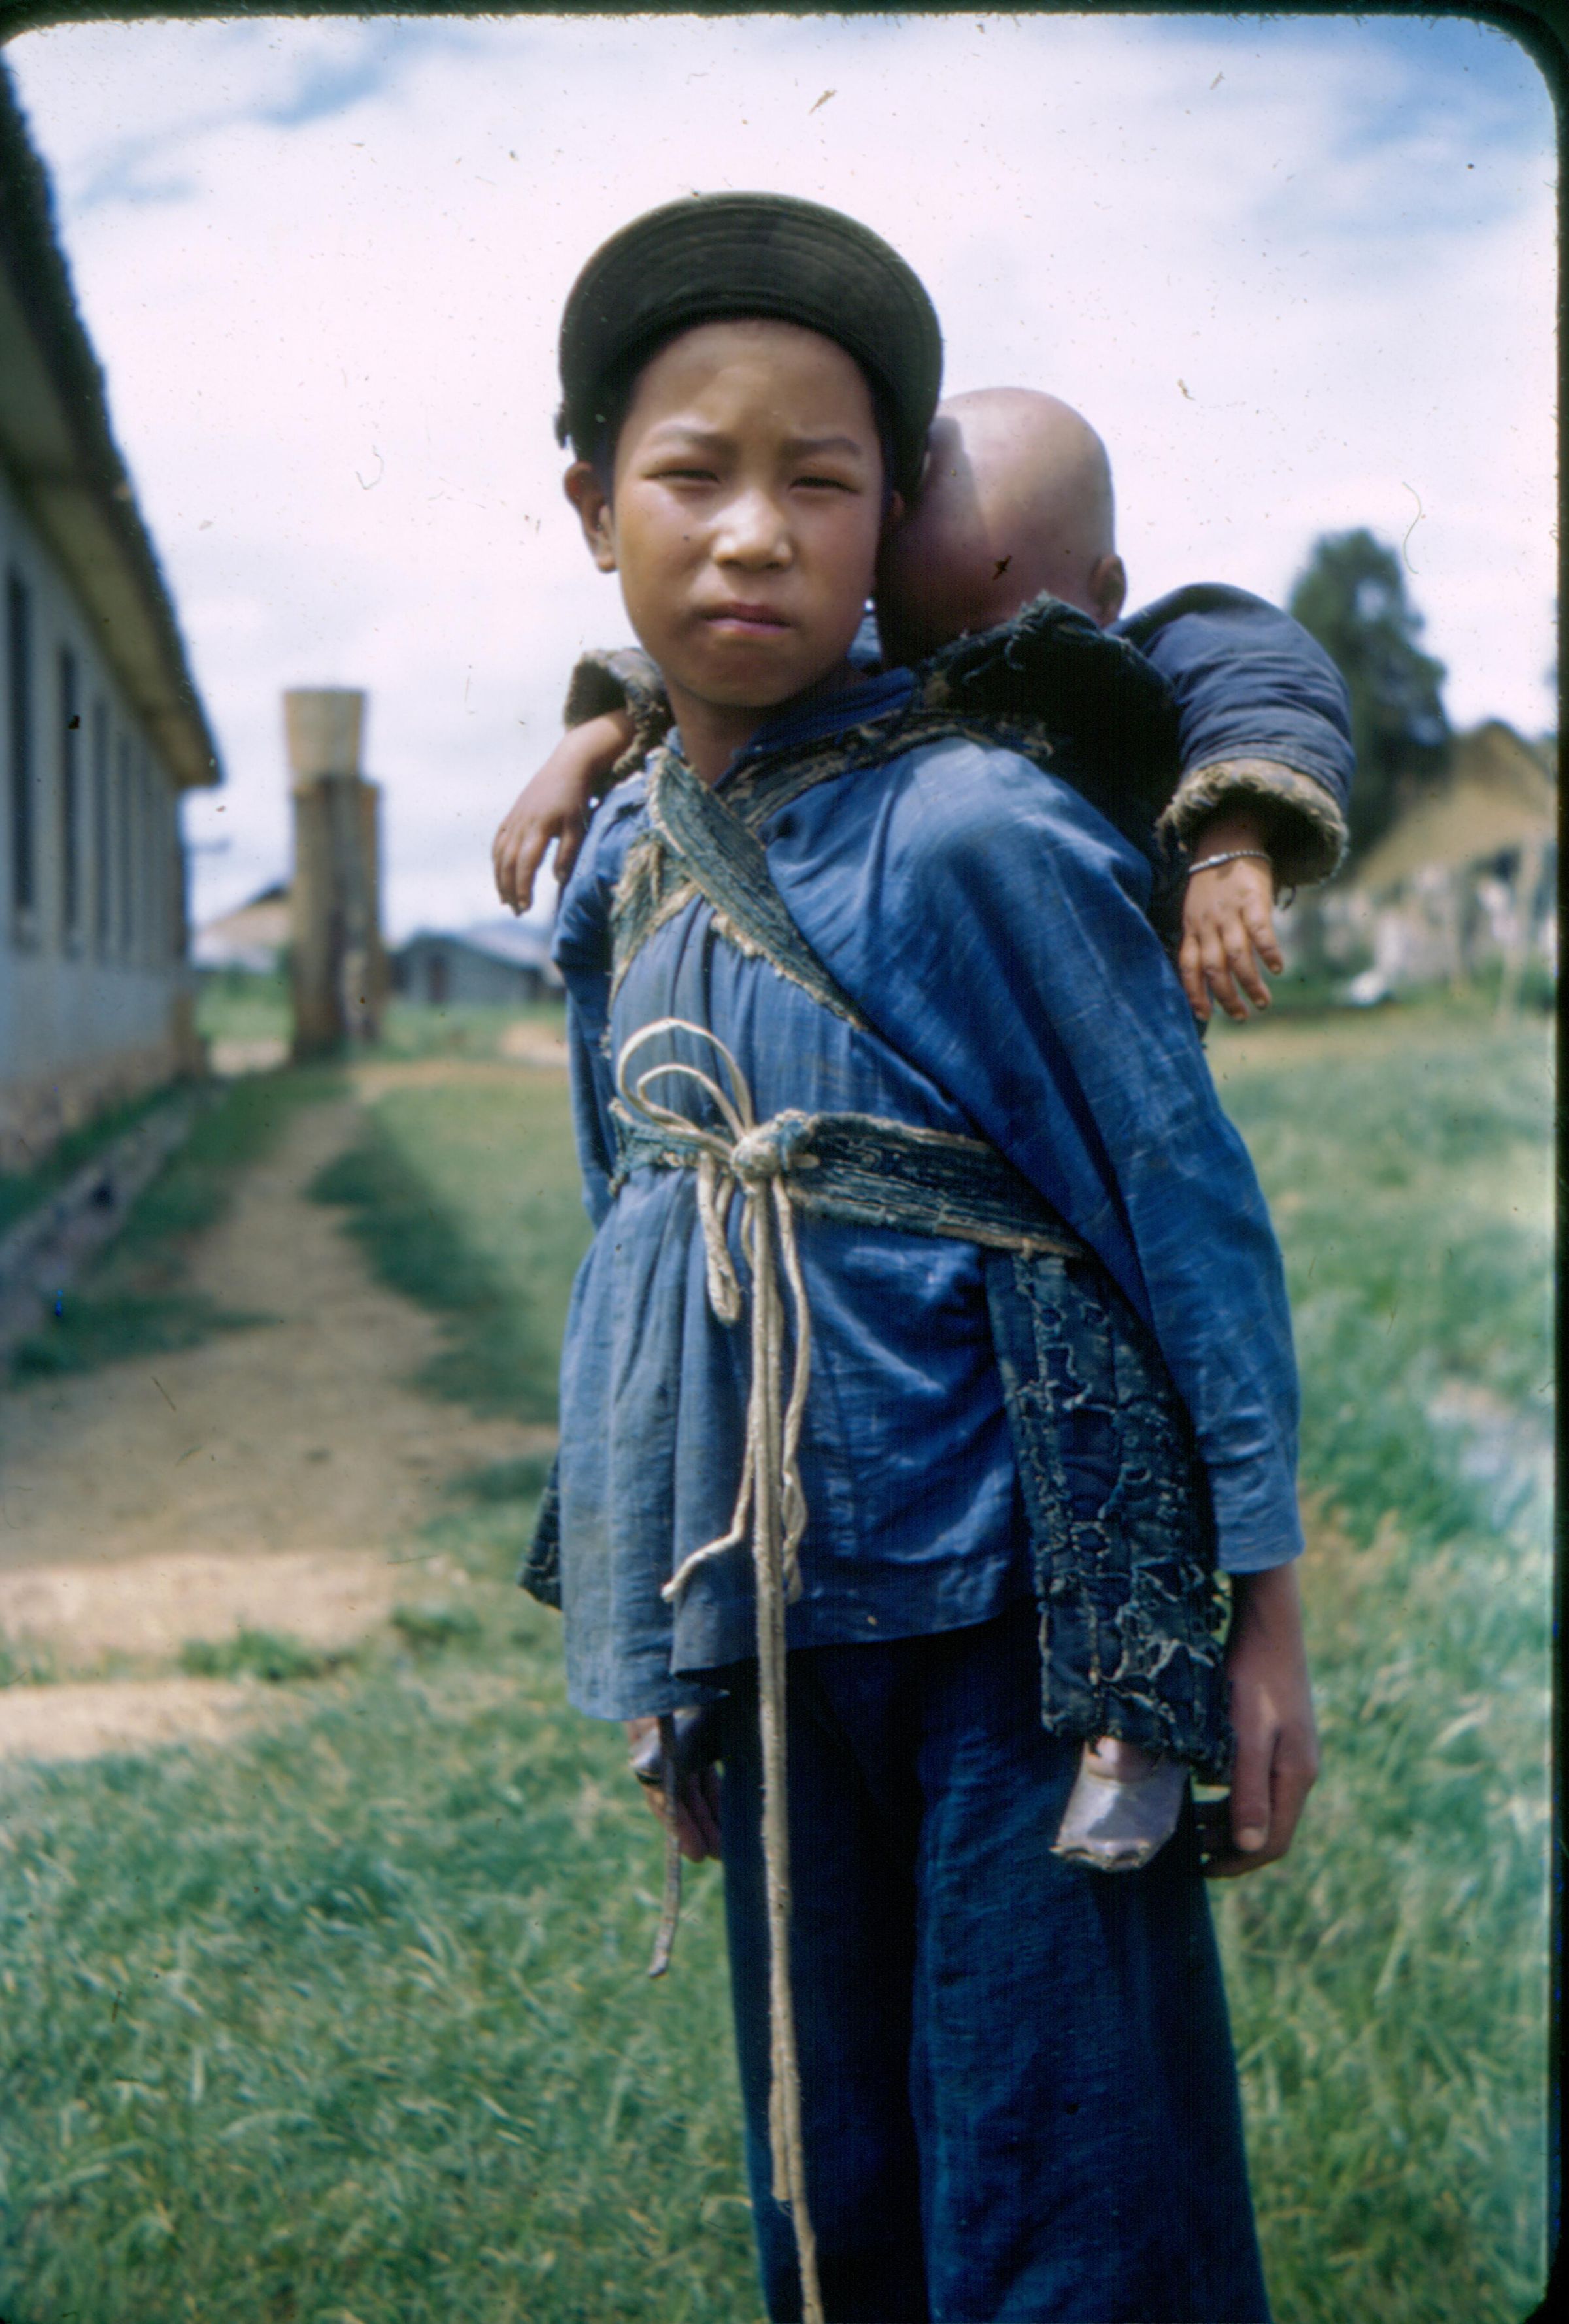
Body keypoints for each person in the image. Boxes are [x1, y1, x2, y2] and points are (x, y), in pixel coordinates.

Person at [528, 190, 1318, 2323]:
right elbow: (640, 1245)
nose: (753, 534)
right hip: (772, 1626)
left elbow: (1184, 1207)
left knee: (1065, 2188)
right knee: (833, 2172)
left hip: (1019, 1624)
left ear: (892, 525)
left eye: (821, 482)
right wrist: (662, 1629)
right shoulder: (626, 870)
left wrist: (1261, 1615)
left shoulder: (975, 826)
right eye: (691, 475)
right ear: (594, 509)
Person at [492, 389, 1353, 1029]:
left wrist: (1233, 840)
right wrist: (589, 743)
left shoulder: (1147, 658)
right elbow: (724, 669)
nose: (950, 667)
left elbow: (1261, 676)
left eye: (995, 640)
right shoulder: (879, 657)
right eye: (916, 637)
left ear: (1106, 596)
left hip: (1089, 1000)